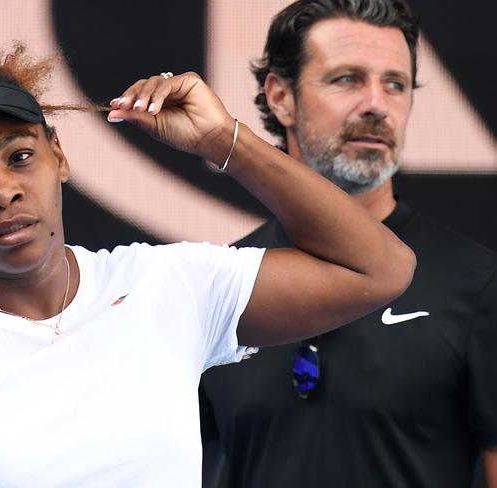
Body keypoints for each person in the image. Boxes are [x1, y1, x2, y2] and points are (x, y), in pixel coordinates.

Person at [0, 23, 414, 488]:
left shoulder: (165, 286)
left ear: (59, 157)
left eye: (19, 157)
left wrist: (222, 140)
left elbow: (379, 269)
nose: (1, 192)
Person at [199, 1, 497, 487]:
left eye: (395, 84)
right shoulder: (223, 283)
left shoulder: (479, 283)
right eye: (347, 79)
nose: (377, 104)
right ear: (281, 97)